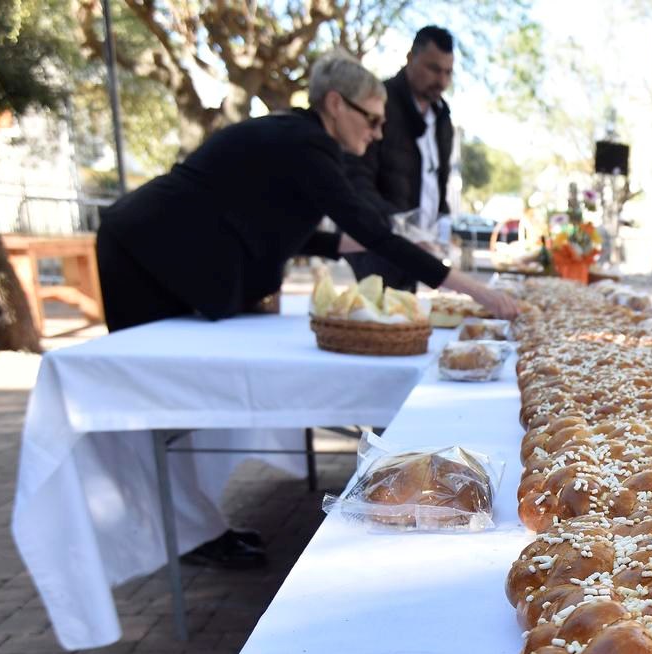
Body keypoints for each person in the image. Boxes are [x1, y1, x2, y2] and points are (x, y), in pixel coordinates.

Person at [95, 51, 518, 568]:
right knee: (158, 405)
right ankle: (182, 535)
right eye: (373, 118)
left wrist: (396, 251)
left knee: (179, 413)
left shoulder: (297, 143)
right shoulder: (303, 142)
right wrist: (476, 289)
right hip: (143, 253)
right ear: (336, 104)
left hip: (161, 253)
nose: (380, 132)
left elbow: (295, 230)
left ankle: (197, 530)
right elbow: (368, 230)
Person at [345, 26, 456, 288]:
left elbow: (438, 183)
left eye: (448, 72)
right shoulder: (378, 104)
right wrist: (402, 228)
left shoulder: (442, 119)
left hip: (421, 251)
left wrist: (441, 230)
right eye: (433, 68)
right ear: (410, 58)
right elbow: (357, 180)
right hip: (379, 247)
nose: (441, 80)